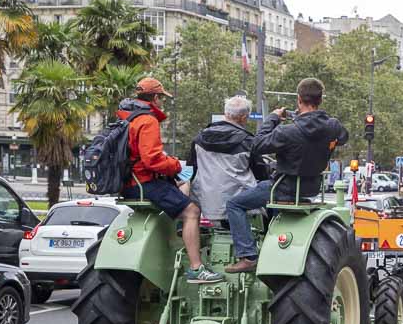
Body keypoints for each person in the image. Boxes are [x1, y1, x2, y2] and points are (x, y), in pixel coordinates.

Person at [224, 78, 348, 273]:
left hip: (282, 188)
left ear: (299, 99)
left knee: (234, 204)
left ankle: (248, 255)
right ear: (320, 99)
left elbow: (256, 146)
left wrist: (273, 118)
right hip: (311, 188)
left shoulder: (287, 132)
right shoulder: (332, 126)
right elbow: (342, 137)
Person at [119, 77, 223, 284]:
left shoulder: (127, 118)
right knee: (192, 210)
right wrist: (176, 165)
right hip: (144, 182)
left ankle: (181, 226)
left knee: (180, 187)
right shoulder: (147, 120)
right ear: (155, 98)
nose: (161, 103)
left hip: (129, 183)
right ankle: (196, 268)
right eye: (161, 98)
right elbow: (152, 160)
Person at [187, 96, 269, 223]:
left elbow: (191, 170)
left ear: (225, 113)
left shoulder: (199, 139)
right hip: (241, 206)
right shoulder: (248, 142)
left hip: (206, 205)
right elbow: (261, 173)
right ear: (243, 117)